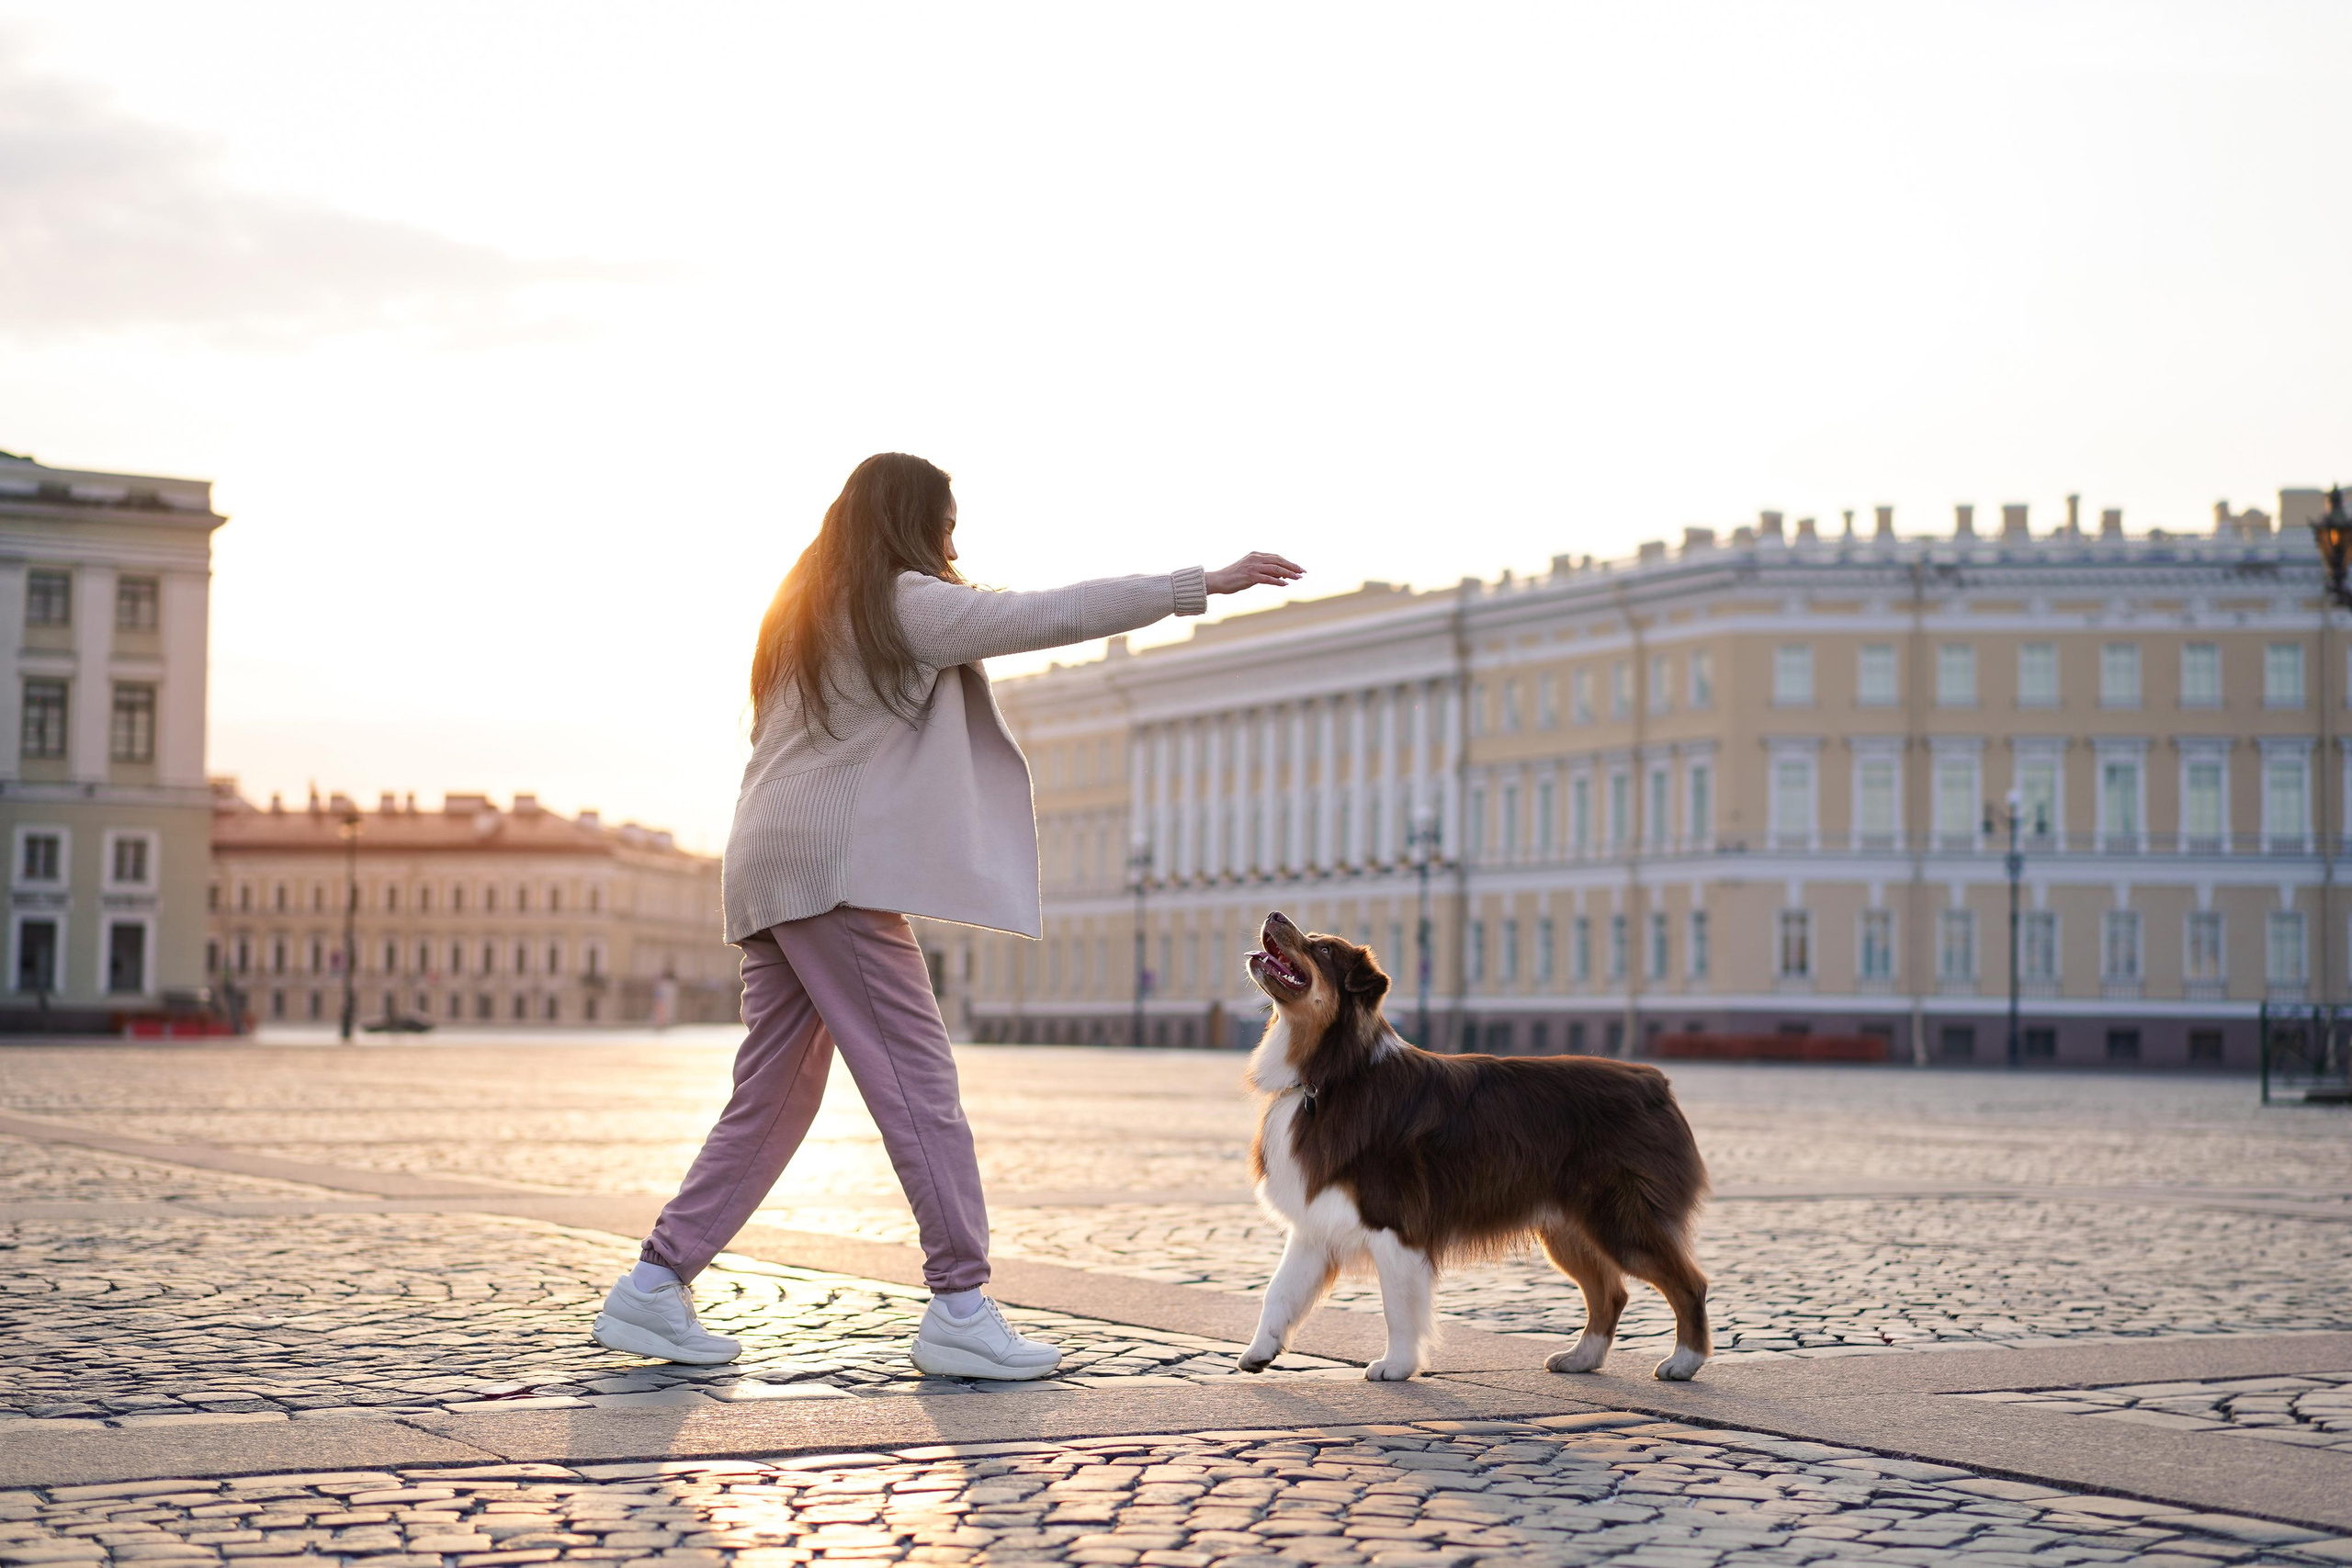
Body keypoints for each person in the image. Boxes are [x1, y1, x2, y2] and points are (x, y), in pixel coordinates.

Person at [591, 452, 1303, 1379]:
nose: (953, 541)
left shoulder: (797, 614)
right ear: (913, 522)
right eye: (946, 522)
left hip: (767, 866)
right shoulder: (901, 603)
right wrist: (1195, 584)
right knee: (919, 1088)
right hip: (833, 875)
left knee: (771, 1096)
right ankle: (960, 1305)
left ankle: (652, 1290)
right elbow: (1045, 613)